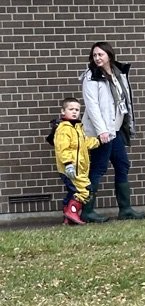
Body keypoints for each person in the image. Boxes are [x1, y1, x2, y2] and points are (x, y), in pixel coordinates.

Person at [80, 41, 144, 222]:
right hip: (102, 131)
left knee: (122, 165)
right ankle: (87, 211)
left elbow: (124, 101)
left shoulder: (117, 73)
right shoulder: (91, 76)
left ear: (109, 55)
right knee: (98, 167)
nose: (97, 58)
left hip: (115, 130)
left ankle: (125, 209)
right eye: (94, 55)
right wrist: (101, 131)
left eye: (100, 54)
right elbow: (92, 106)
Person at [47, 96, 100, 225]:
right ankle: (72, 212)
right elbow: (62, 149)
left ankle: (68, 215)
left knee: (73, 191)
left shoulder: (77, 127)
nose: (74, 112)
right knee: (84, 190)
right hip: (70, 168)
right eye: (71, 109)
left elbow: (84, 143)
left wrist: (98, 141)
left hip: (79, 168)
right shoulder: (64, 129)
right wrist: (68, 164)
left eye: (77, 109)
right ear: (63, 111)